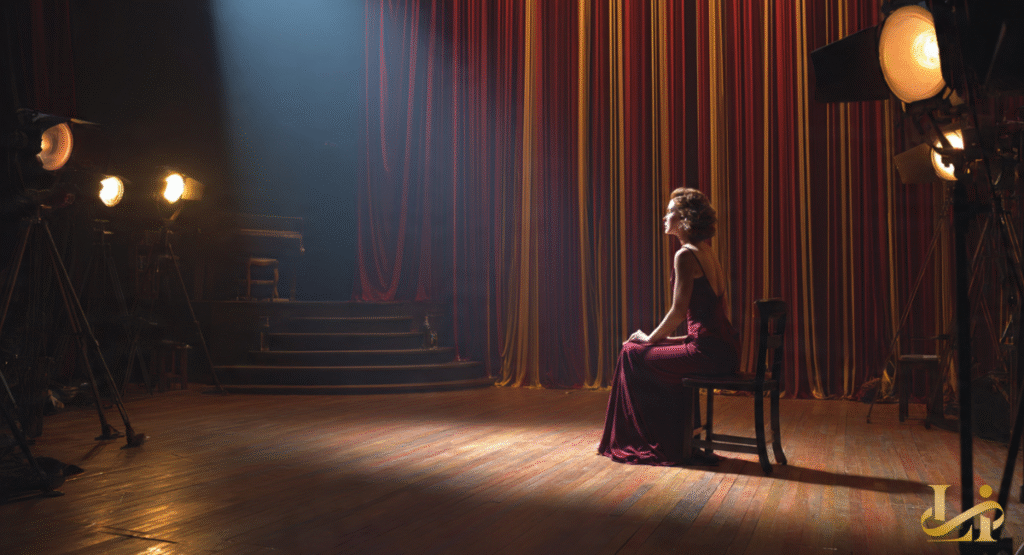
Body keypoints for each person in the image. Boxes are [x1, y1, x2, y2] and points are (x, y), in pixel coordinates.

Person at [598, 187, 741, 466]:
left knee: (631, 353)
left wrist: (649, 338)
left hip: (708, 353)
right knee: (637, 349)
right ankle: (673, 439)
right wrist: (654, 341)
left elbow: (677, 313)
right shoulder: (706, 251)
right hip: (721, 347)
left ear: (685, 218)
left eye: (670, 212)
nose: (665, 217)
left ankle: (648, 440)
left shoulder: (686, 255)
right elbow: (699, 326)